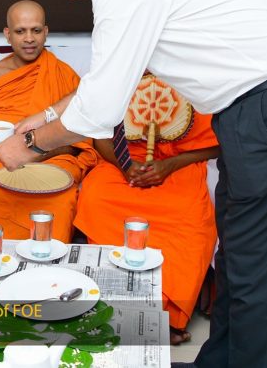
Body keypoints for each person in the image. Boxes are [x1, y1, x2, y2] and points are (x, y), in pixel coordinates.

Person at [0, 0, 267, 368]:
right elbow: (111, 77)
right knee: (237, 256)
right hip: (248, 108)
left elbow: (100, 108)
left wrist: (27, 146)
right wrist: (45, 114)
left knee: (257, 264)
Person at [74, 75, 219, 345]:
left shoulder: (193, 74)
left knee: (190, 210)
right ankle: (112, 304)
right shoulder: (119, 74)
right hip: (123, 160)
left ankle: (167, 314)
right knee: (97, 197)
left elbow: (215, 143)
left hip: (179, 163)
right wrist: (126, 166)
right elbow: (98, 135)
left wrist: (170, 165)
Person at [0, 0, 96, 241]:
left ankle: (50, 262)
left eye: (36, 30)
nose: (29, 38)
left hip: (54, 160)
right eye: (20, 31)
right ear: (8, 34)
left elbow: (77, 140)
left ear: (46, 32)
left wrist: (35, 152)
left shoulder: (63, 74)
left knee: (62, 197)